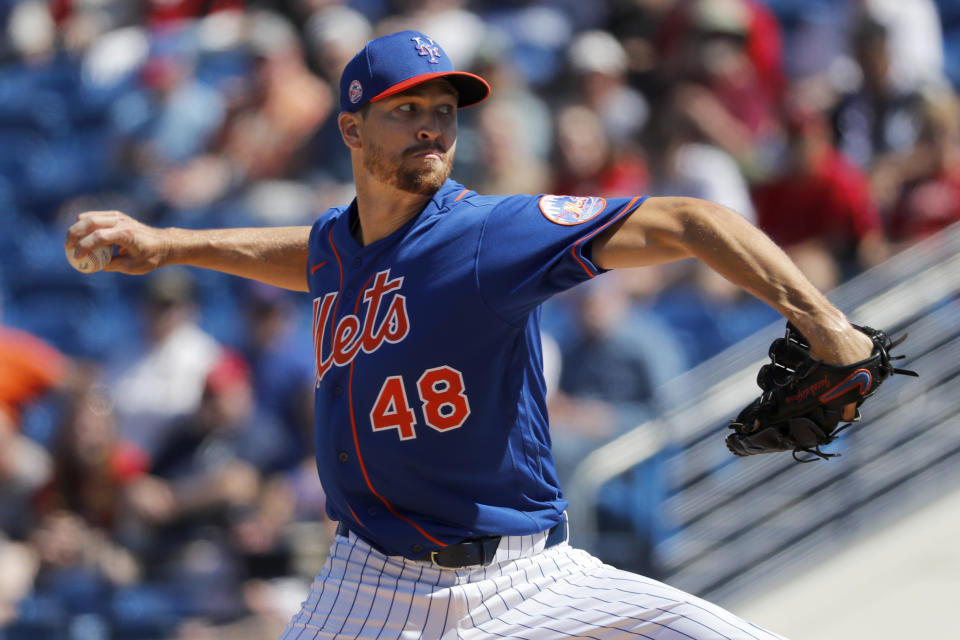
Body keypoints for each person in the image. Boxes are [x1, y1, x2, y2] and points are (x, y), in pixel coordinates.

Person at [66, 29, 874, 640]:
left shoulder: (492, 235)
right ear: (350, 131)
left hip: (529, 580)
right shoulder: (337, 249)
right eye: (406, 110)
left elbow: (692, 221)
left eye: (444, 113)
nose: (431, 128)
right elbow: (306, 256)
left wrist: (823, 321)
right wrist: (168, 245)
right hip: (367, 586)